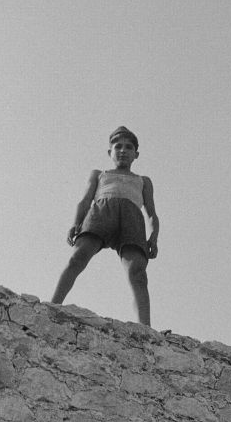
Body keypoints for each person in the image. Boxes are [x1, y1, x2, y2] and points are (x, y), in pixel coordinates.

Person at [51, 126, 159, 326]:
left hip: (132, 219)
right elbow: (84, 200)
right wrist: (76, 223)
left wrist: (154, 237)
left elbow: (151, 213)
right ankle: (53, 305)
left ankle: (146, 328)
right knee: (78, 257)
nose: (123, 151)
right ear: (110, 152)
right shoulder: (100, 175)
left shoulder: (143, 181)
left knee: (137, 272)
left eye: (128, 147)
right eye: (118, 146)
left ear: (136, 154)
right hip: (101, 212)